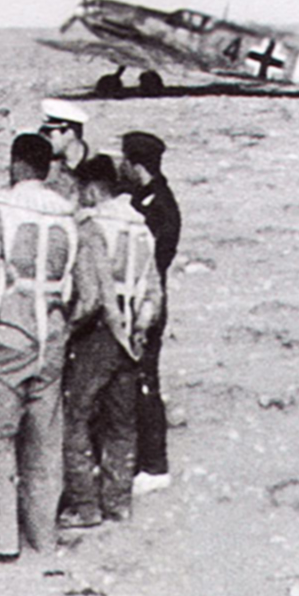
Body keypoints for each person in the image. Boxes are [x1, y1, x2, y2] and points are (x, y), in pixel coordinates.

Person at [0, 133, 91, 562]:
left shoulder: (1, 209)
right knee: (45, 441)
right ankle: (44, 535)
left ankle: (5, 538)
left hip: (9, 329)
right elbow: (84, 290)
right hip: (51, 331)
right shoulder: (67, 214)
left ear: (16, 164)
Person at [58, 155, 161, 529]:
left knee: (76, 418)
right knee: (121, 423)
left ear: (91, 189)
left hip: (97, 333)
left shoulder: (92, 228)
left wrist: (68, 328)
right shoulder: (141, 228)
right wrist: (139, 328)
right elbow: (154, 292)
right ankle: (117, 502)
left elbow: (90, 297)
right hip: (131, 332)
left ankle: (84, 504)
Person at [119, 131, 181, 497]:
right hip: (142, 298)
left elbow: (154, 260)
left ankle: (155, 464)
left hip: (148, 301)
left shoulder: (159, 206)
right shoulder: (146, 197)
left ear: (135, 163)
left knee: (145, 381)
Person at [36, 99, 90, 203]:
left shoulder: (97, 164)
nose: (43, 137)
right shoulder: (46, 168)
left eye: (48, 132)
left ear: (70, 132)